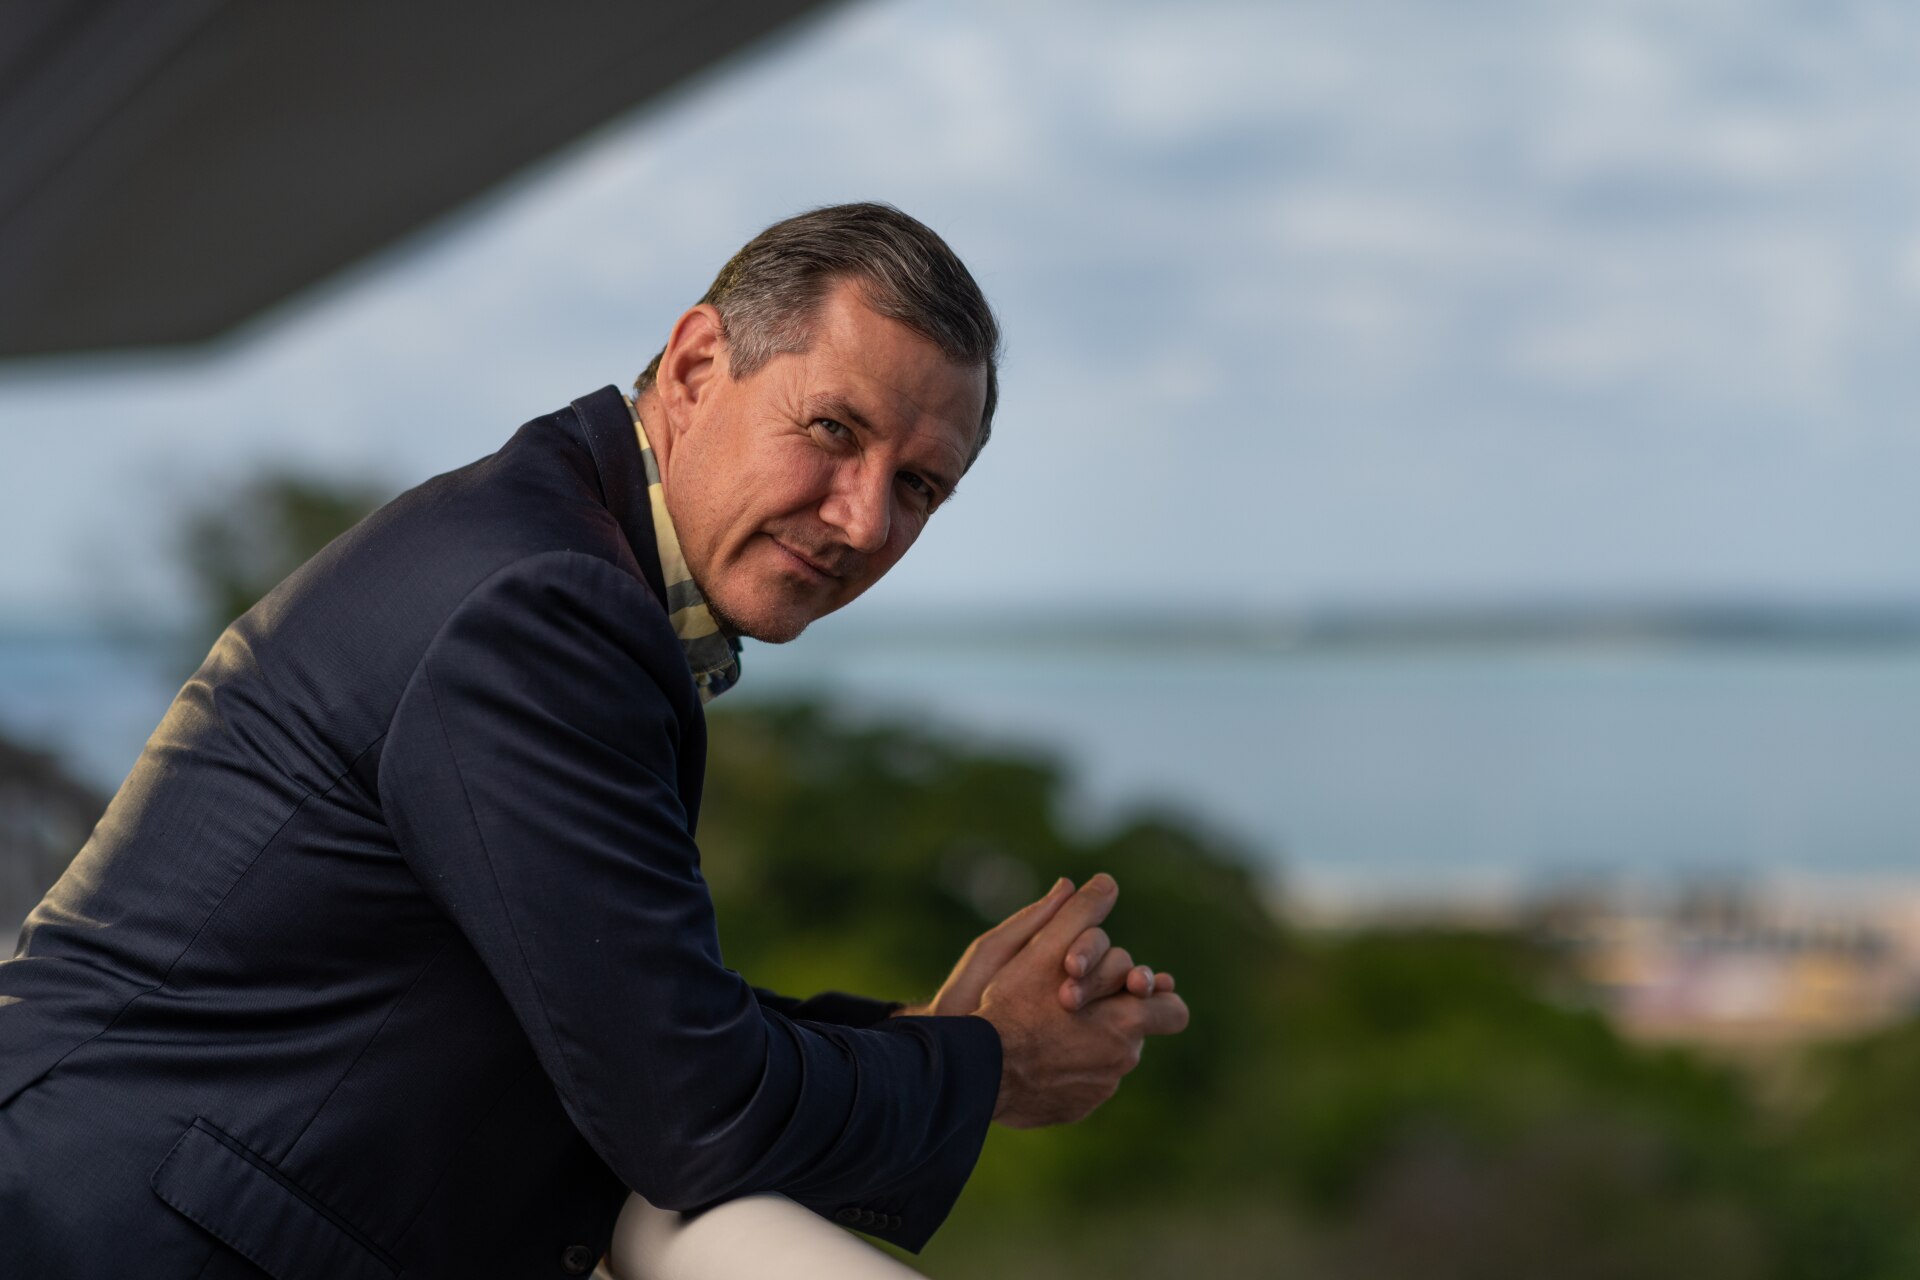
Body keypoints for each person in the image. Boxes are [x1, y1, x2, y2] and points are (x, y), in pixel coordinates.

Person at [0, 203, 1189, 1279]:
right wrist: (986, 1070)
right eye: (833, 429)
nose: (864, 516)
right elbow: (688, 1105)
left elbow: (608, 995)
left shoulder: (555, 546)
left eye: (921, 486)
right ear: (694, 366)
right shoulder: (544, 604)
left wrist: (922, 1041)